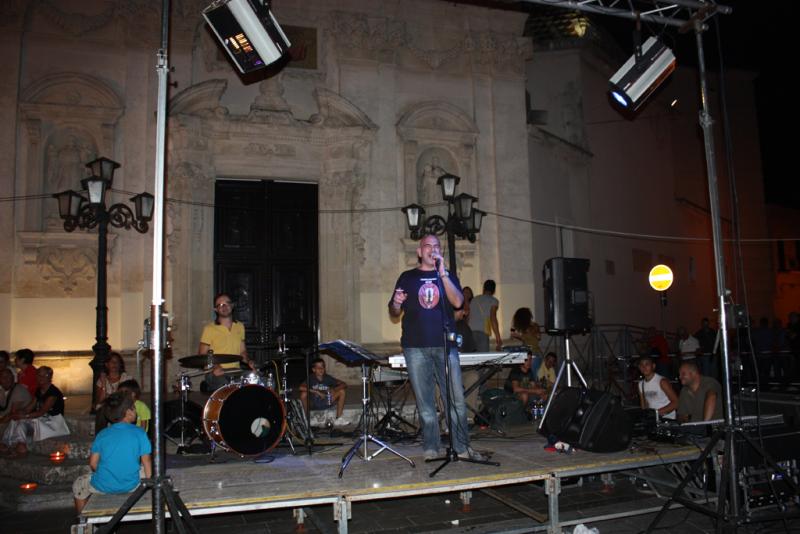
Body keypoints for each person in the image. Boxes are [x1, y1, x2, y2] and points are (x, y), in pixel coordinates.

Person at [389, 234, 486, 461]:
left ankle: (461, 447)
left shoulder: (448, 275)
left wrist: (442, 274)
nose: (432, 249)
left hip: (445, 346)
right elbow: (394, 311)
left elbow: (458, 302)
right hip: (415, 348)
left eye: (436, 246)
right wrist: (395, 303)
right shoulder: (407, 277)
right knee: (425, 402)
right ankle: (431, 446)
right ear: (419, 252)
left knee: (455, 399)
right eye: (427, 246)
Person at [72, 391, 152, 513]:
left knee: (79, 485)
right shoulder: (139, 433)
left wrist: (110, 474)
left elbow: (93, 464)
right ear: (129, 412)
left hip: (103, 486)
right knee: (142, 468)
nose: (136, 411)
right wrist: (149, 484)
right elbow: (147, 462)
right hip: (132, 485)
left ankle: (82, 519)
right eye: (134, 408)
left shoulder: (102, 434)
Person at [0, 366, 67, 456]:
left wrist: (24, 416)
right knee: (15, 420)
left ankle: (12, 445)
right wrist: (20, 413)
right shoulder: (39, 390)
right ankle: (19, 445)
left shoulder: (53, 393)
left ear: (50, 377)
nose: (41, 378)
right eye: (39, 375)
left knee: (21, 421)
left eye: (44, 375)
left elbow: (41, 412)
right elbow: (30, 407)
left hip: (52, 423)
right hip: (41, 420)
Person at [198, 292, 253, 390]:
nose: (224, 306)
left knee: (255, 380)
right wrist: (214, 367)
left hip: (235, 371)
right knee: (227, 387)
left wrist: (249, 362)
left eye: (227, 303)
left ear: (232, 305)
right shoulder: (209, 329)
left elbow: (242, 351)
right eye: (220, 305)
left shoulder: (240, 326)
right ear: (215, 309)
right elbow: (202, 354)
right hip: (215, 372)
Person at [298, 357, 347, 423]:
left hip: (327, 401)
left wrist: (334, 389)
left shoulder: (327, 378)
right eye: (318, 367)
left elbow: (344, 384)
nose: (321, 369)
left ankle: (339, 418)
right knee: (303, 394)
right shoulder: (311, 378)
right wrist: (316, 392)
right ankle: (307, 418)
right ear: (314, 369)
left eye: (322, 367)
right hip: (314, 403)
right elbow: (300, 387)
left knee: (342, 391)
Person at [94, 352, 131, 431]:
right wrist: (104, 384)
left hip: (121, 409)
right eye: (112, 362)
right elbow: (100, 401)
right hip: (106, 411)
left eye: (117, 362)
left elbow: (128, 398)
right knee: (101, 409)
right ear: (107, 364)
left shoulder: (126, 378)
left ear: (120, 364)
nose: (114, 364)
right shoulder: (101, 381)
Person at [636, 354, 678, 420]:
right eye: (641, 365)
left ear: (653, 366)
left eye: (647, 364)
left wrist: (656, 413)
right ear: (639, 368)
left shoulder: (662, 381)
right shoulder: (640, 384)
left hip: (667, 418)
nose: (644, 367)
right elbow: (644, 406)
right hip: (653, 419)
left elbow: (676, 403)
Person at [467, 280, 502, 352]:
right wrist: (498, 337)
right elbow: (493, 318)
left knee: (471, 356)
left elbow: (468, 317)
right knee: (482, 357)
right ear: (494, 290)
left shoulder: (474, 299)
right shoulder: (494, 301)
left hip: (470, 333)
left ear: (484, 288)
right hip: (482, 333)